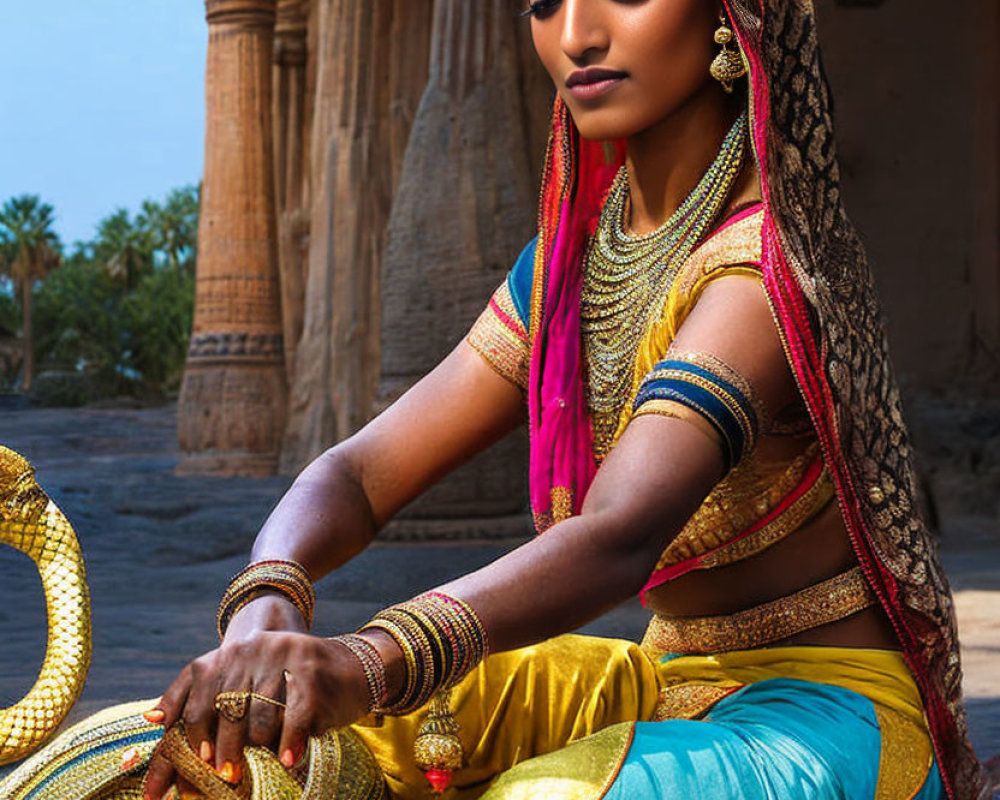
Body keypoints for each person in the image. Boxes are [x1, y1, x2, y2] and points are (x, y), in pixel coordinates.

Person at [0, 1, 981, 799]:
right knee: (248, 753)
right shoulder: (567, 266)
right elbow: (359, 469)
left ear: (731, 18)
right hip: (665, 676)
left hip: (826, 707)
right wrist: (266, 599)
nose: (576, 35)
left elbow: (619, 533)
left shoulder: (761, 267)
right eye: (544, 2)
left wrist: (368, 658)